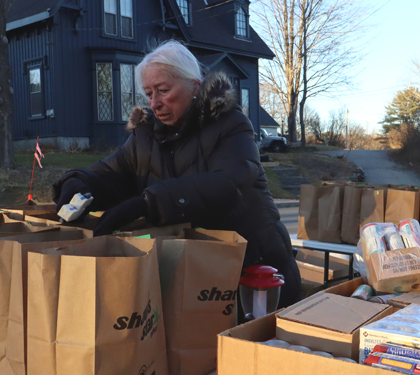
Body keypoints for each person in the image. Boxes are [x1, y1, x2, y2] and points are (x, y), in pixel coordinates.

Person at [52, 40, 301, 307]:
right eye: (148, 94)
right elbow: (115, 172)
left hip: (255, 271)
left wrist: (150, 202)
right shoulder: (145, 135)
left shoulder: (231, 124)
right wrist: (79, 182)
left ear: (194, 84)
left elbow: (228, 182)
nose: (155, 103)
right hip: (196, 275)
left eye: (163, 90)